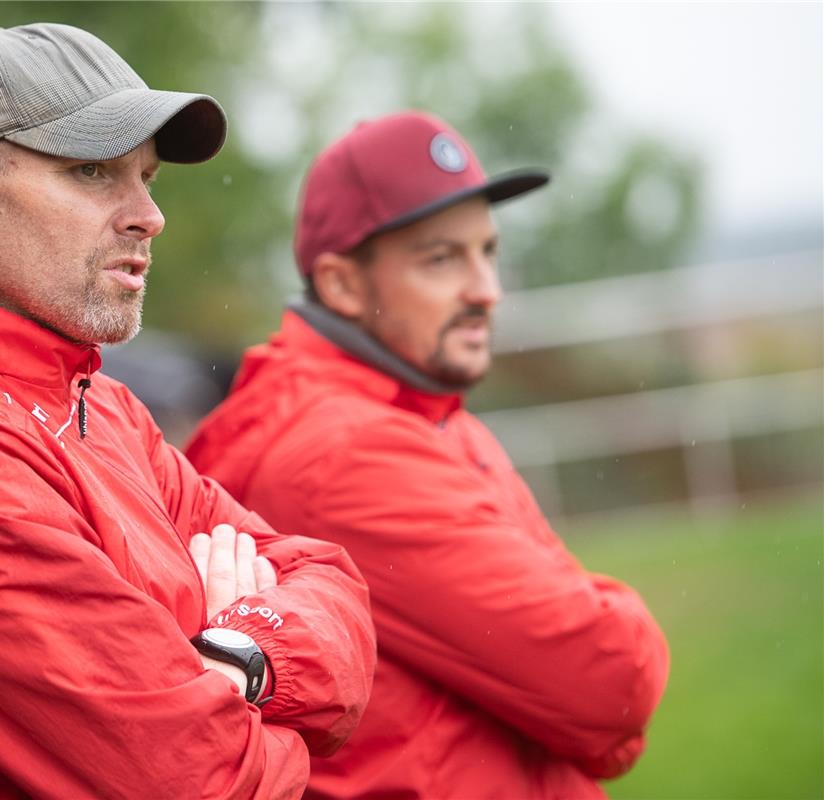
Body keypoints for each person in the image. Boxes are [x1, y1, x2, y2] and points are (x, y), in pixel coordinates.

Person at [0, 23, 375, 800]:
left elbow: (332, 585)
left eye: (148, 178)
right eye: (93, 170)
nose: (147, 216)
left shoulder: (96, 401)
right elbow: (199, 782)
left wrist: (238, 653)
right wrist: (247, 690)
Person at [186, 111, 671, 798]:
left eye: (488, 252)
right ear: (343, 285)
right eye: (441, 258)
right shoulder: (342, 451)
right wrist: (617, 617)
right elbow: (610, 684)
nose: (486, 290)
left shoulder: (416, 407)